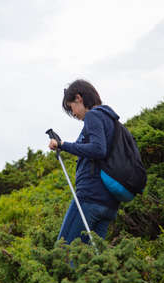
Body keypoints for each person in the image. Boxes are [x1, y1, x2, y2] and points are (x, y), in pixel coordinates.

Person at [48, 79, 120, 245]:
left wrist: (62, 145)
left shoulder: (93, 116)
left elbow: (97, 149)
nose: (73, 113)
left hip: (90, 197)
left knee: (64, 252)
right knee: (90, 259)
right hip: (109, 202)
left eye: (71, 107)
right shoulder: (111, 120)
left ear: (79, 98)